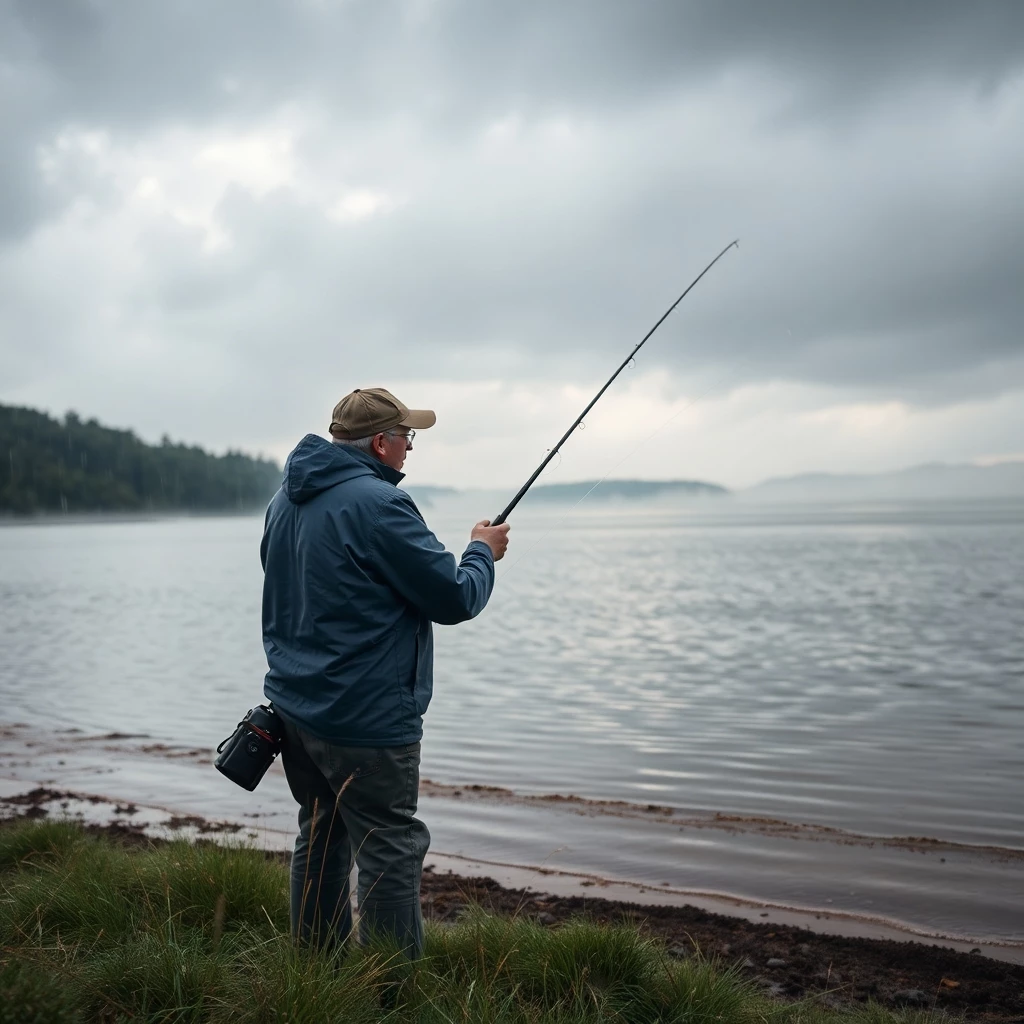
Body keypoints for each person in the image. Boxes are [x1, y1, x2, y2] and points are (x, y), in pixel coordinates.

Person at [260, 387, 509, 959]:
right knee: (389, 849)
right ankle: (394, 996)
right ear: (380, 442)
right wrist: (480, 552)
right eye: (406, 438)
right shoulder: (380, 505)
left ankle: (317, 973)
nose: (409, 450)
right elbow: (453, 598)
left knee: (320, 836)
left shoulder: (284, 501)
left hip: (297, 711)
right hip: (367, 721)